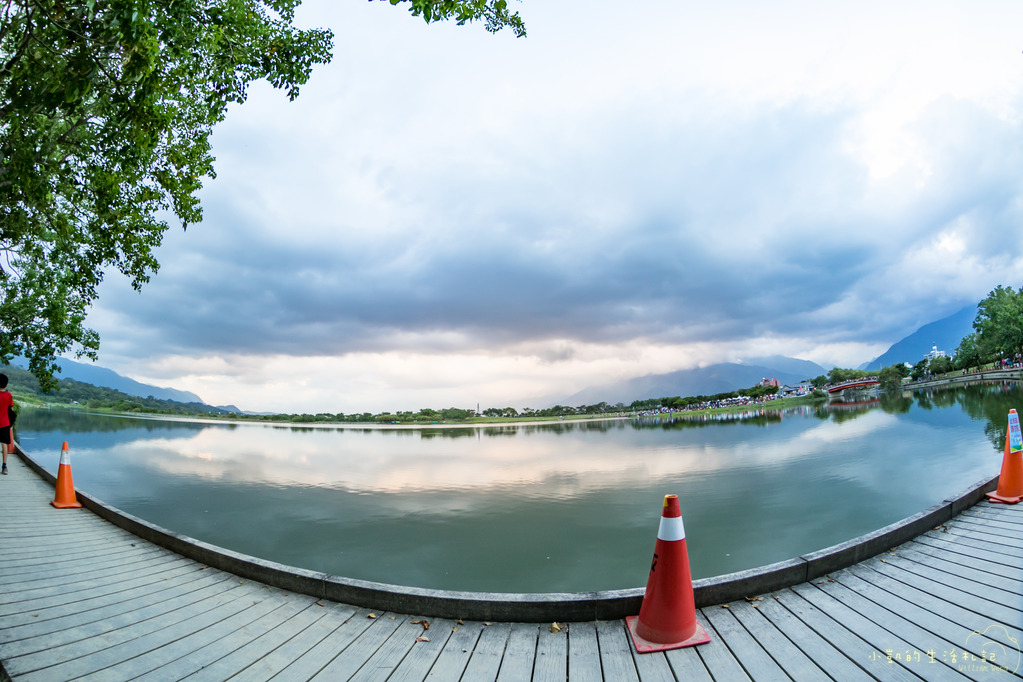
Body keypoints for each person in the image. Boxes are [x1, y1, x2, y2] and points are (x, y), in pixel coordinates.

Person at [0, 373, 12, 475]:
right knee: (4, 444)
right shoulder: (8, 395)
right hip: (4, 423)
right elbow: (11, 409)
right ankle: (4, 466)